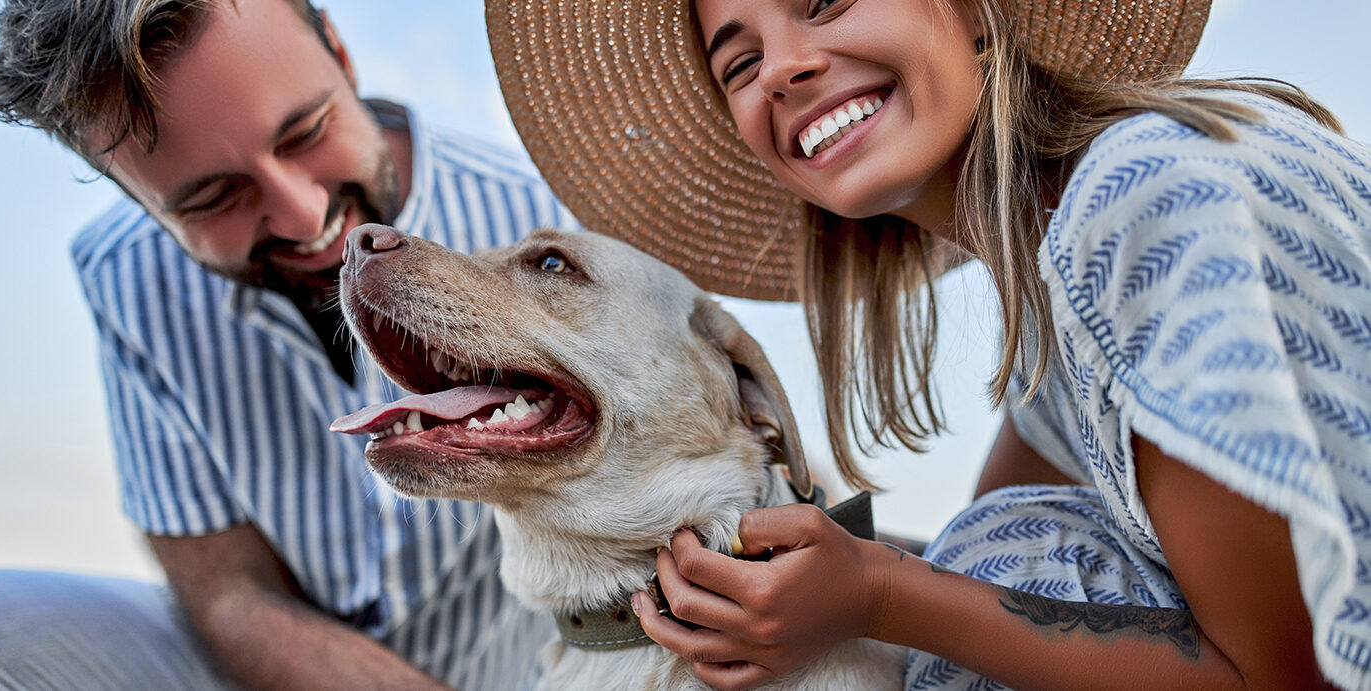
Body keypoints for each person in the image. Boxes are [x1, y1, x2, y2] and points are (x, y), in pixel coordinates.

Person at [487, 0, 1371, 688]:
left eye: (828, 0)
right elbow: (947, 555)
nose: (786, 68)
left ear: (981, 8)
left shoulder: (1137, 205)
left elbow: (1293, 678)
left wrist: (876, 593)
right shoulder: (1056, 305)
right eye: (742, 62)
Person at [0, 0, 575, 688]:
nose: (305, 216)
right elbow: (228, 590)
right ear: (139, 202)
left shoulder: (547, 229)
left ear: (340, 52)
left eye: (305, 132)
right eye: (215, 197)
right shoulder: (125, 277)